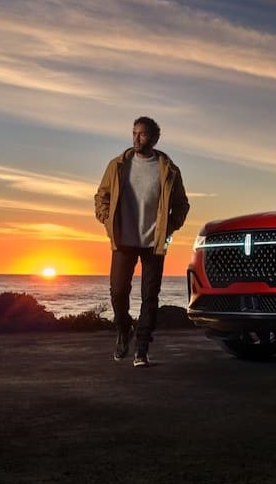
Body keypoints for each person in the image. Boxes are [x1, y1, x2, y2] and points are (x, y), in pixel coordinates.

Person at [94, 116, 189, 367]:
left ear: (155, 138)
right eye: (134, 132)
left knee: (150, 295)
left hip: (155, 242)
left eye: (143, 134)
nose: (136, 138)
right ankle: (124, 329)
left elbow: (182, 205)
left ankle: (142, 347)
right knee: (118, 291)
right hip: (123, 240)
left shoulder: (168, 169)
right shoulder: (118, 166)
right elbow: (101, 196)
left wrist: (169, 228)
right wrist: (106, 220)